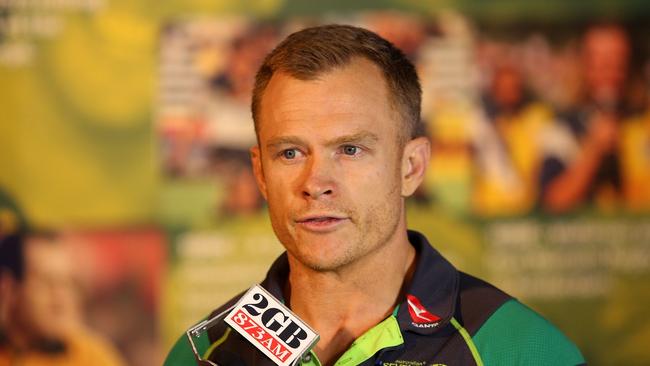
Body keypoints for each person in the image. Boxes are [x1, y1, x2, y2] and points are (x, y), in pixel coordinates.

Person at [164, 24, 585, 365]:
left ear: (412, 167)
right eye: (290, 152)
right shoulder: (204, 354)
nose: (316, 182)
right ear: (259, 173)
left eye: (350, 149)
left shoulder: (522, 352)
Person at [539, 24, 631, 213]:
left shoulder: (641, 123)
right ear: (583, 65)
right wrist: (594, 149)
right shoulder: (560, 127)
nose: (609, 68)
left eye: (617, 58)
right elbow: (553, 203)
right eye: (600, 59)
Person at [0, 232, 125, 366]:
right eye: (47, 282)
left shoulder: (92, 356)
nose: (62, 297)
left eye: (67, 283)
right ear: (8, 288)